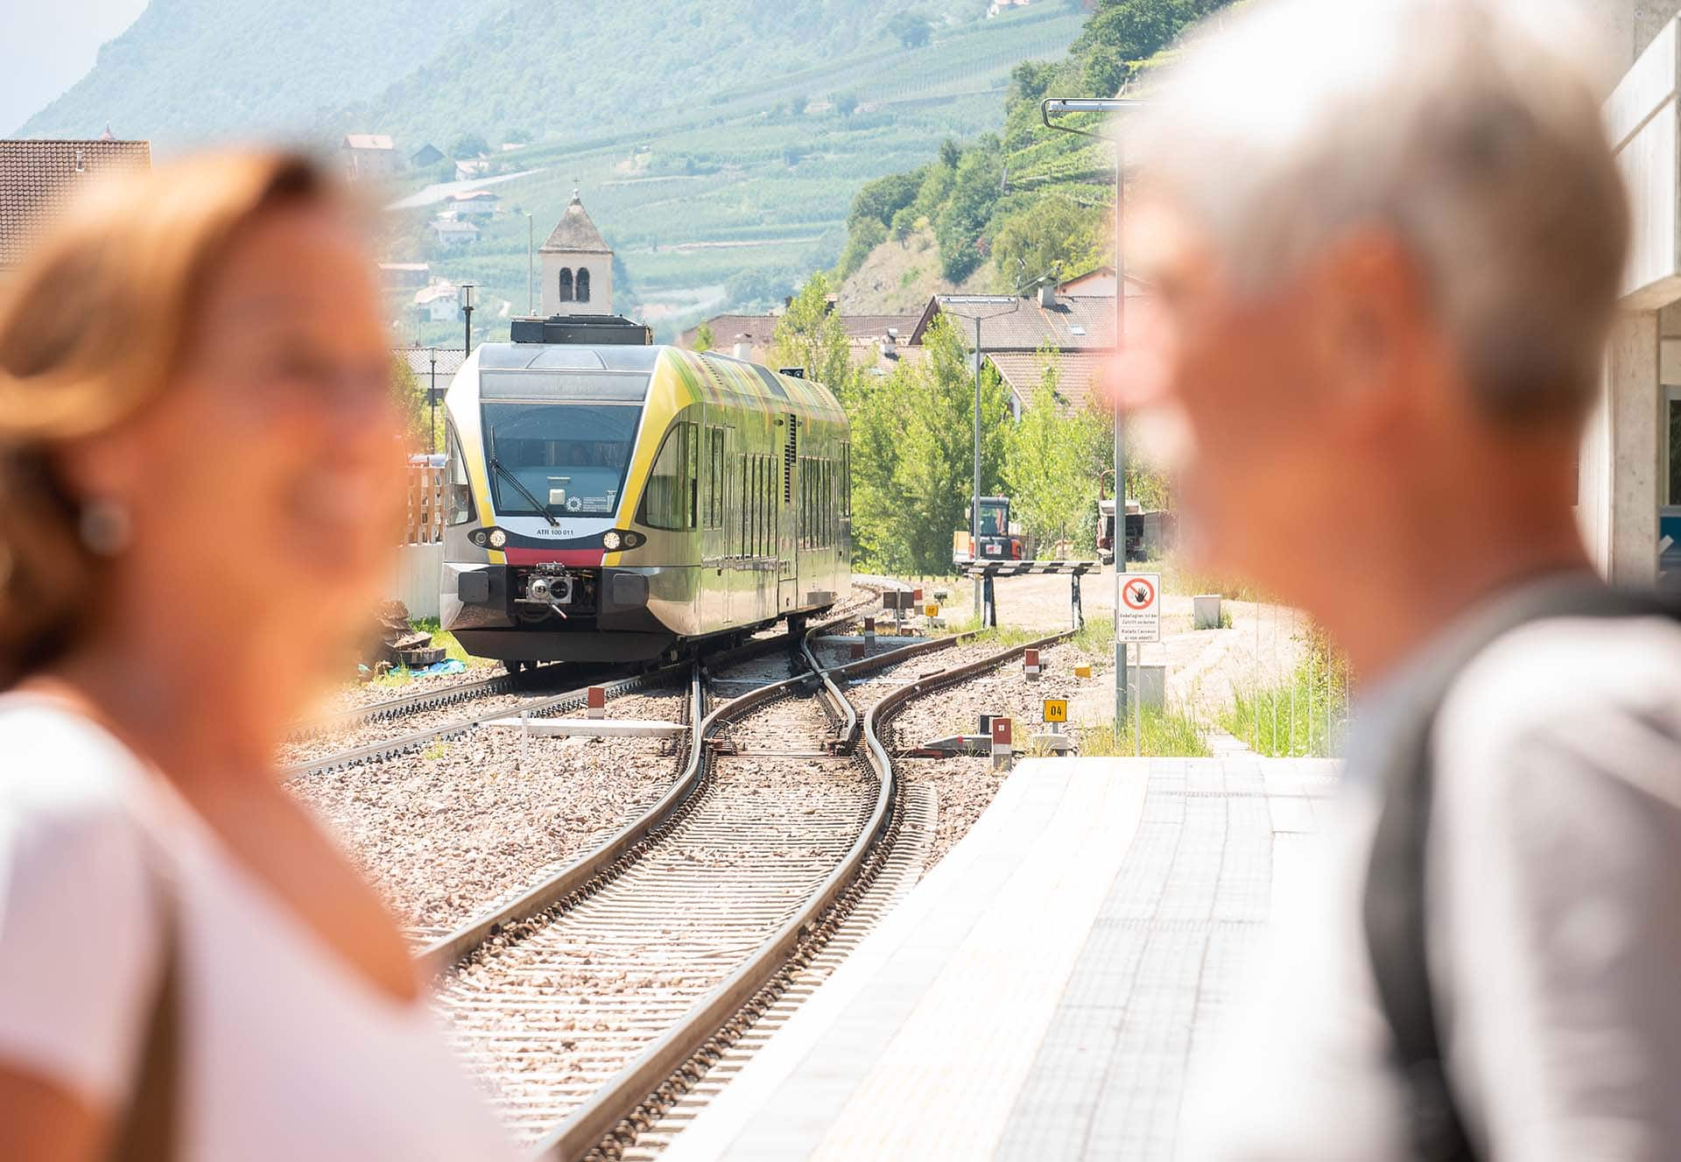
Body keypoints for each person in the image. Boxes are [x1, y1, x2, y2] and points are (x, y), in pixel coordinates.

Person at [1120, 1, 1681, 1159]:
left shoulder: (1559, 739)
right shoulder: (1470, 728)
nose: (1112, 380)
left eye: (1169, 297)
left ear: (1362, 327)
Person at [0, 153, 518, 1160]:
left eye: (369, 373)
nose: (357, 427)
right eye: (291, 364)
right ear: (104, 431)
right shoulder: (56, 825)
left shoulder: (250, 818)